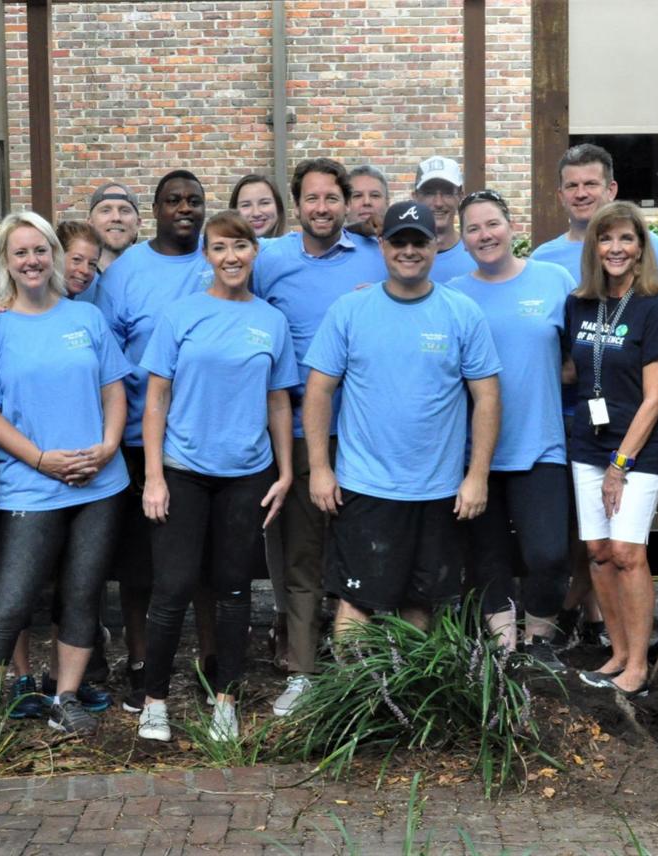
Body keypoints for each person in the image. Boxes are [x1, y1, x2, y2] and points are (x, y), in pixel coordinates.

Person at [0, 212, 131, 759]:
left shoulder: (85, 319)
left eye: (40, 250)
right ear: (6, 261)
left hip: (99, 483)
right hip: (31, 485)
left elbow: (114, 391)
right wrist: (41, 460)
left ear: (54, 254)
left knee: (82, 596)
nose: (32, 261)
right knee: (10, 602)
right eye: (20, 252)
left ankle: (66, 697)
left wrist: (105, 448)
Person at [304, 200, 502, 640]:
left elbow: (486, 397)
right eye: (399, 242)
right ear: (382, 246)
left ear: (435, 246)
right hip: (363, 486)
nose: (408, 250)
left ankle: (404, 704)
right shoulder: (350, 310)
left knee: (419, 603)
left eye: (419, 241)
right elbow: (319, 390)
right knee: (355, 604)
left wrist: (477, 476)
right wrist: (320, 467)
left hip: (438, 489)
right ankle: (354, 703)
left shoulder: (462, 312)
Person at [136, 210, 298, 742]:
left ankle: (225, 699)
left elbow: (278, 402)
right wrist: (154, 476)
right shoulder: (181, 315)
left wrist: (286, 471)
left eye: (241, 246)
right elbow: (156, 398)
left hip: (247, 474)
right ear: (207, 256)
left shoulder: (270, 321)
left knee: (233, 589)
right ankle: (155, 701)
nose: (231, 256)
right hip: (182, 471)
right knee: (172, 587)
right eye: (220, 247)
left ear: (255, 253)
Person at [252, 157, 388, 716]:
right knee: (303, 554)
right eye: (312, 199)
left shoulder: (377, 256)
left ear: (348, 202)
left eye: (333, 198)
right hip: (305, 433)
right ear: (297, 204)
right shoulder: (270, 259)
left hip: (369, 432)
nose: (323, 208)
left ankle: (369, 667)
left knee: (367, 550)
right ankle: (304, 671)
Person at [94, 170, 213, 713]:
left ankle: (214, 664)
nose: (184, 209)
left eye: (194, 200)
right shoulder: (125, 273)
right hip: (142, 439)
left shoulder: (221, 257)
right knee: (141, 562)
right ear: (156, 210)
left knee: (210, 562)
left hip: (209, 436)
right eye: (173, 201)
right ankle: (141, 664)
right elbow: (108, 361)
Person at [445, 189, 574, 669]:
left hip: (541, 441)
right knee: (488, 556)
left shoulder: (554, 280)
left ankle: (541, 640)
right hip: (476, 451)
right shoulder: (455, 294)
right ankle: (504, 652)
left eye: (492, 224)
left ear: (511, 225)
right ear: (462, 239)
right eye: (473, 228)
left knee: (548, 553)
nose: (485, 235)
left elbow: (577, 355)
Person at [564, 201, 658, 698]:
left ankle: (638, 663)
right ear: (595, 247)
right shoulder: (579, 304)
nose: (615, 248)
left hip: (637, 449)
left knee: (628, 552)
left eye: (626, 239)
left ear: (640, 248)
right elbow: (577, 371)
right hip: (587, 442)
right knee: (598, 551)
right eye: (606, 239)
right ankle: (619, 652)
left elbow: (655, 399)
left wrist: (619, 465)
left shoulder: (655, 308)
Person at [531, 144, 658, 306]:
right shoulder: (542, 260)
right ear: (561, 196)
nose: (581, 194)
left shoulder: (648, 245)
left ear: (611, 190)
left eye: (590, 184)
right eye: (572, 186)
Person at [412, 156, 477, 282]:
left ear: (460, 196)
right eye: (429, 193)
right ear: (415, 197)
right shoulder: (398, 258)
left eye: (447, 192)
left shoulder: (477, 253)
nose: (438, 203)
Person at [87, 181, 141, 270]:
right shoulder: (72, 277)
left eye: (125, 210)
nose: (116, 217)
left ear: (138, 223)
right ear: (90, 223)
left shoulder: (156, 273)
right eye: (105, 210)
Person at [230, 174, 287, 238]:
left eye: (264, 203)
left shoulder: (296, 247)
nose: (256, 213)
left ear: (278, 207)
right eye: (246, 205)